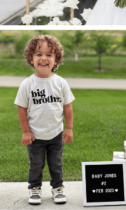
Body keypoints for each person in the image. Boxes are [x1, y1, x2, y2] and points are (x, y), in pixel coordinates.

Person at [14, 35, 75, 205]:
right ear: (30, 58)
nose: (43, 58)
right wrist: (26, 131)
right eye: (38, 54)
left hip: (56, 134)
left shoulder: (60, 83)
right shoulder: (27, 84)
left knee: (56, 165)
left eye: (49, 55)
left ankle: (58, 189)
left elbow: (67, 107)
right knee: (36, 165)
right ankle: (34, 189)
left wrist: (68, 129)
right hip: (35, 136)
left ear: (56, 60)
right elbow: (21, 109)